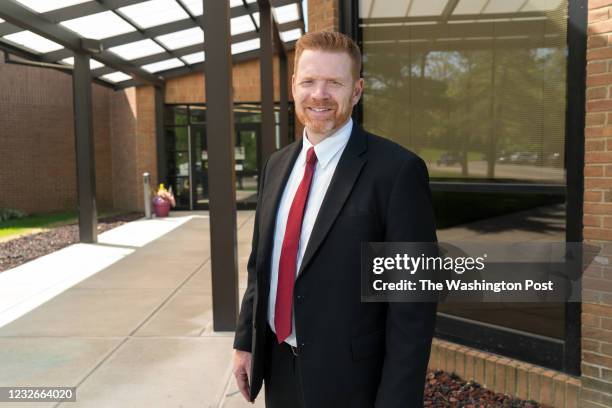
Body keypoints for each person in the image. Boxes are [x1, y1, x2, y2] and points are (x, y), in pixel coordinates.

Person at [232, 30, 437, 408]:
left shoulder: (397, 171)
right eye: (308, 81)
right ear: (293, 86)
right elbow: (260, 266)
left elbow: (413, 305)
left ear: (356, 91)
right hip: (279, 368)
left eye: (334, 83)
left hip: (352, 382)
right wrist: (245, 342)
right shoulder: (276, 165)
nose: (319, 94)